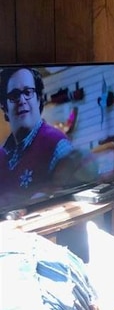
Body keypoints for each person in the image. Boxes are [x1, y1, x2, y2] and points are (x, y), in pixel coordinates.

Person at [0, 66, 98, 207]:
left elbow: (76, 207)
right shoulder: (2, 154)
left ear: (39, 99)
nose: (22, 100)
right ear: (5, 107)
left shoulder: (57, 146)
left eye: (28, 92)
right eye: (14, 95)